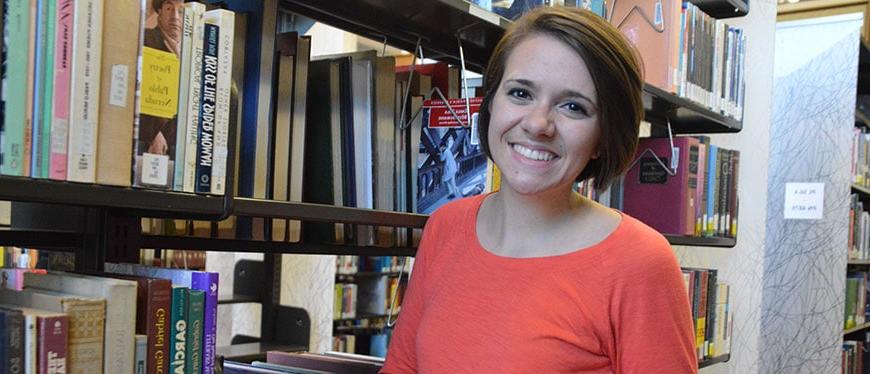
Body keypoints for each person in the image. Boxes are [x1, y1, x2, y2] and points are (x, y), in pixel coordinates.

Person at [381, 6, 697, 373]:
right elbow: (402, 367)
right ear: (492, 102)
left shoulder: (640, 262)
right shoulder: (445, 227)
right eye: (520, 93)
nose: (538, 123)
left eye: (574, 107)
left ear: (602, 137)